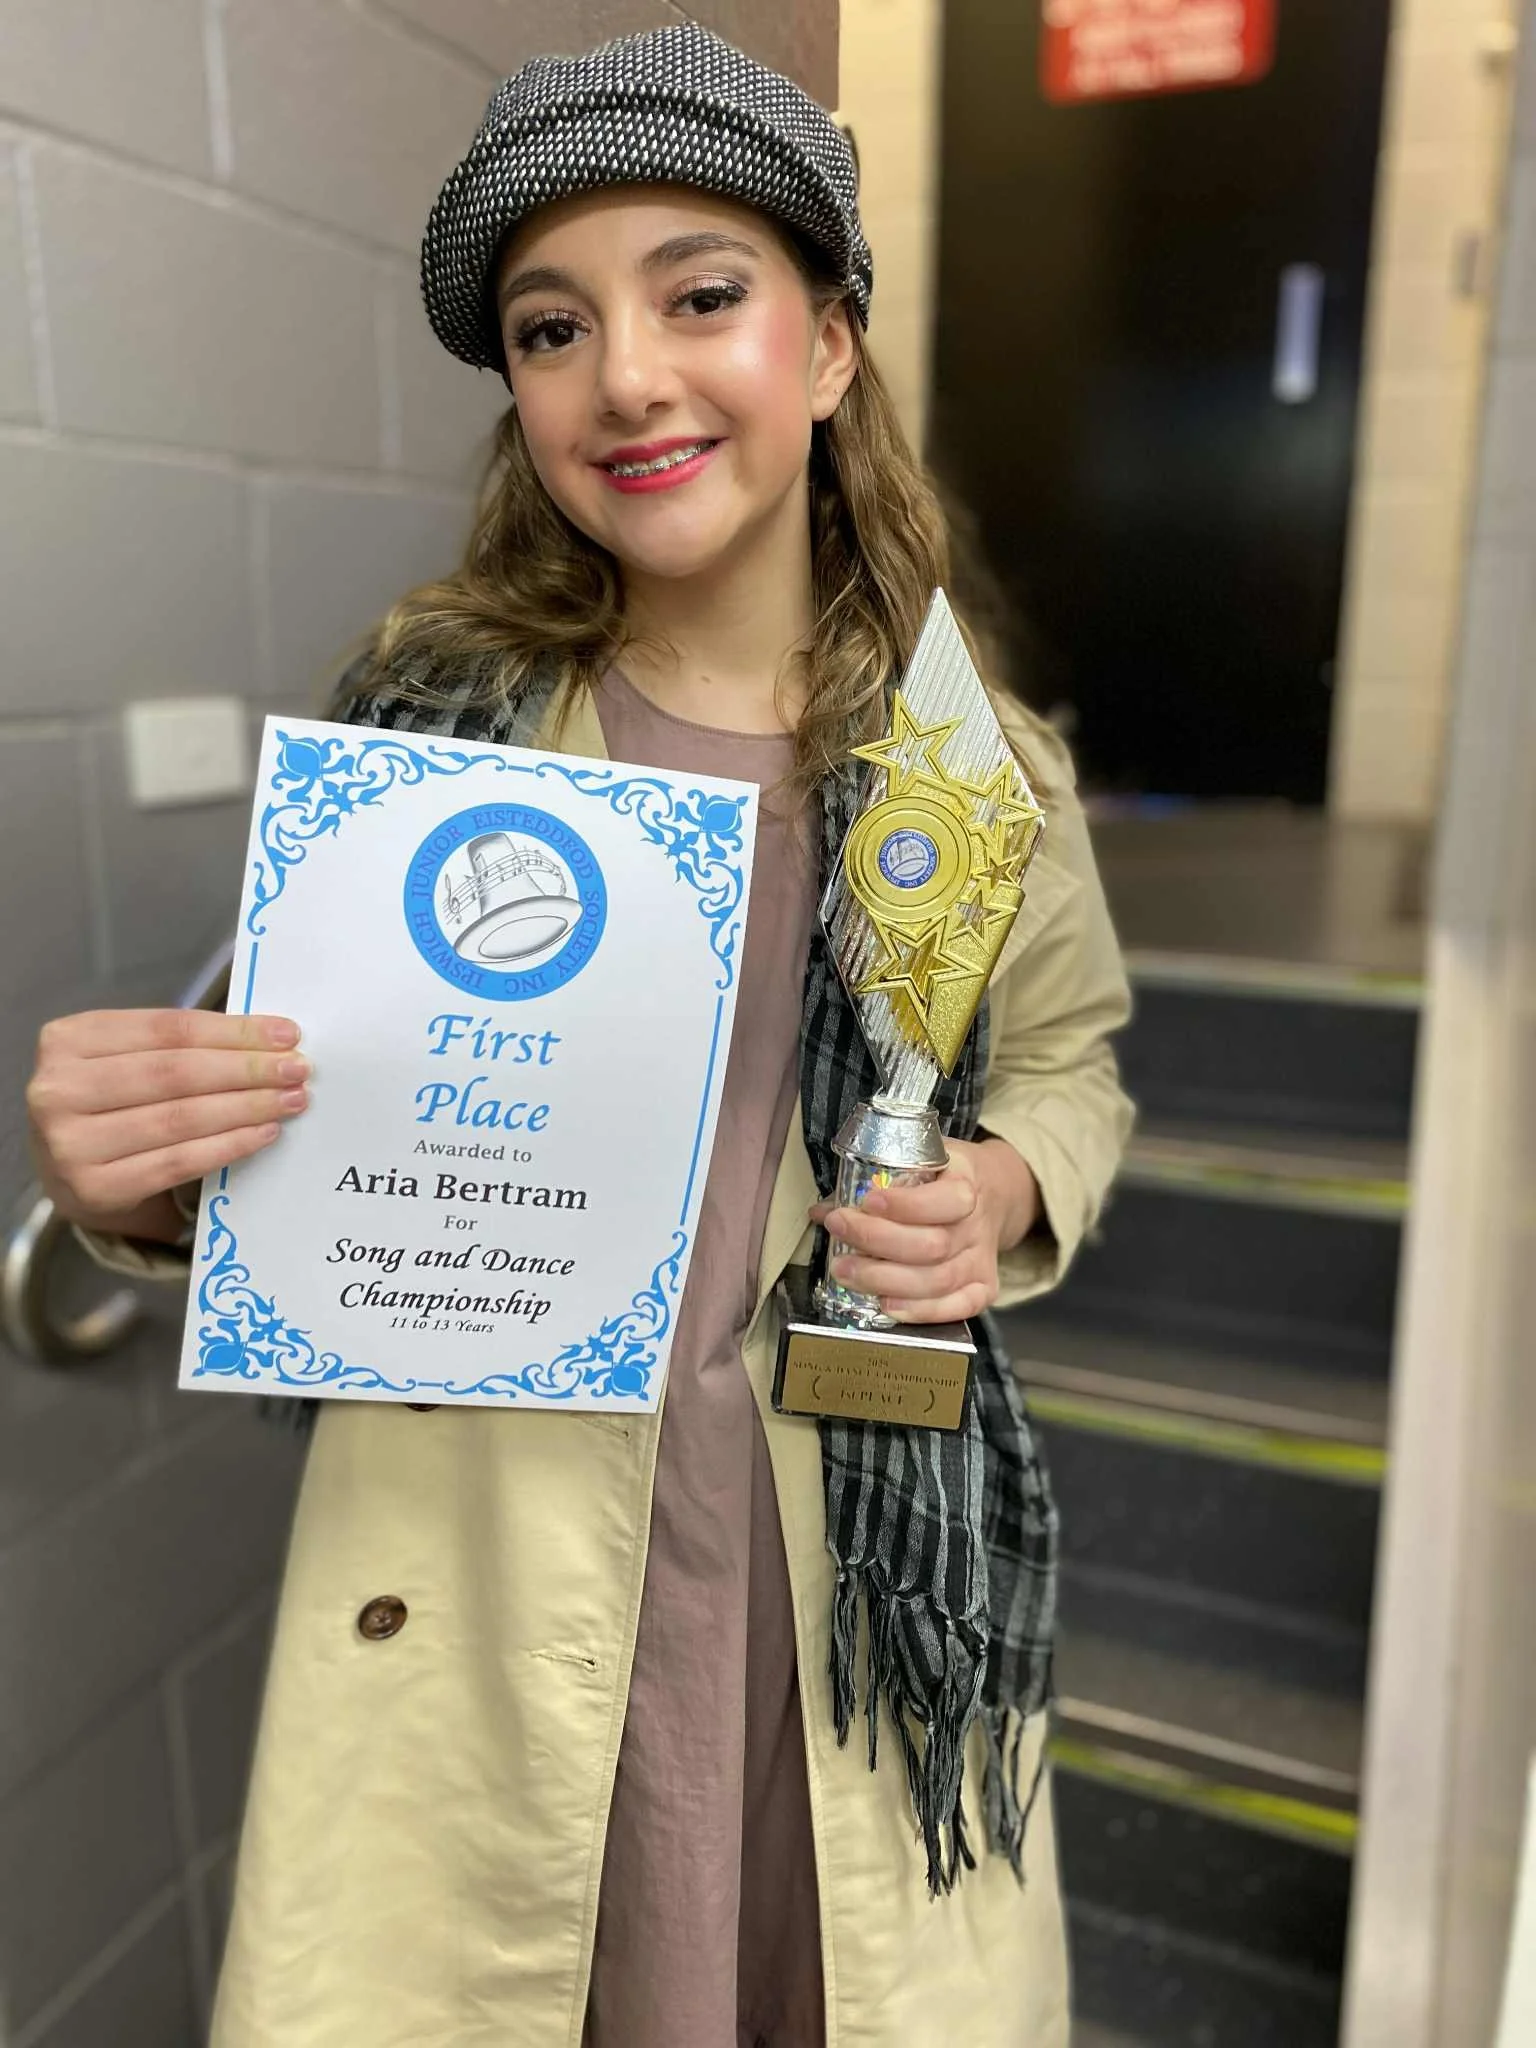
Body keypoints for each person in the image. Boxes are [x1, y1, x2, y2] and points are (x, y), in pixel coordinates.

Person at [24, 24, 1132, 2047]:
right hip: (493, 1579)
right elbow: (320, 1125)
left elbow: (1073, 1062)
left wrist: (1009, 1180)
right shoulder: (431, 740)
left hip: (837, 1594)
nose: (623, 373)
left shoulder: (982, 779)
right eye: (551, 326)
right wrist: (154, 1184)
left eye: (702, 293)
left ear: (827, 343)